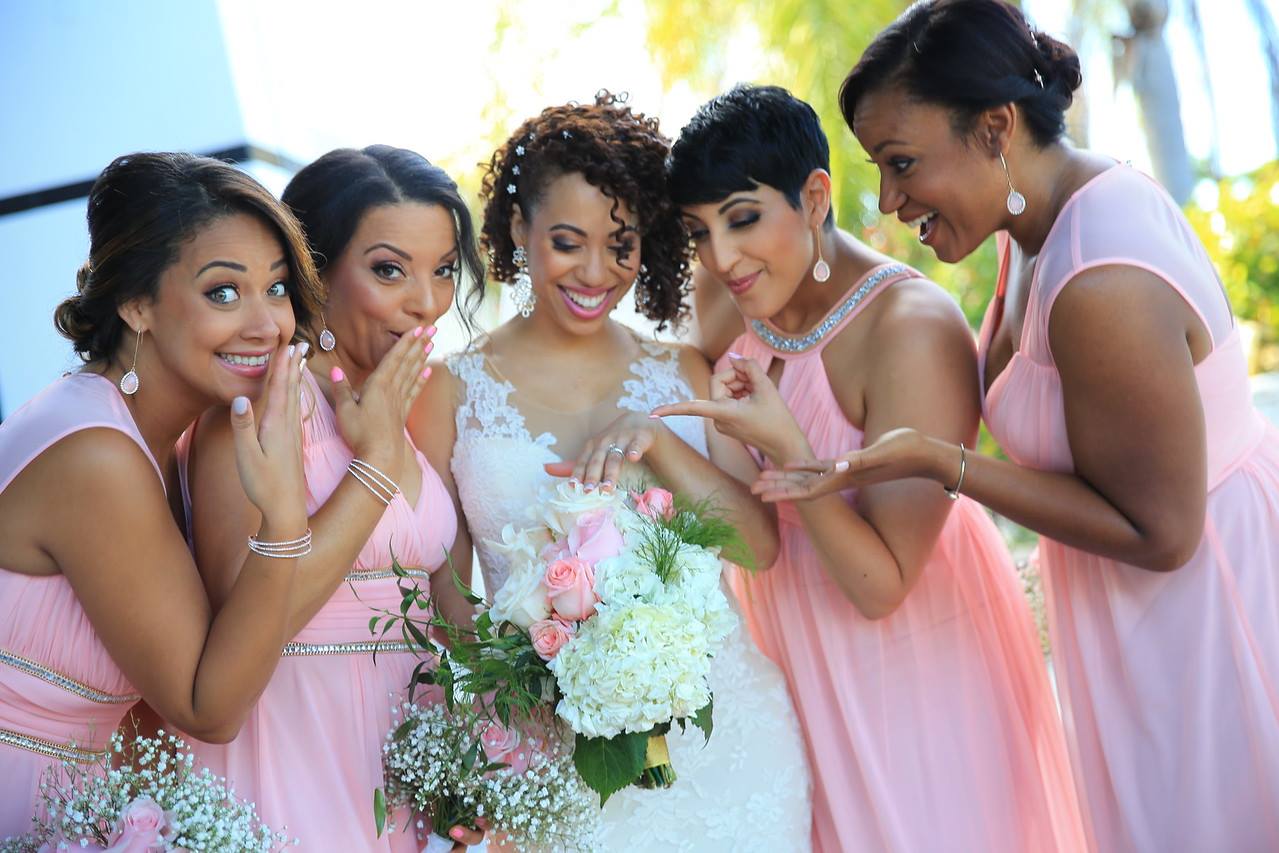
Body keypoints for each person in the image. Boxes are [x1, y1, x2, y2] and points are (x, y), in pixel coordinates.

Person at [760, 1, 1279, 848]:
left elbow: (1162, 531)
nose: (887, 199)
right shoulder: (1026, 225)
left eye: (901, 162)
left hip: (1202, 619)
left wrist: (943, 462)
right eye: (878, 169)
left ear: (995, 128)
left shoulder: (1101, 279)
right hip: (1127, 612)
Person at [656, 84, 1086, 852]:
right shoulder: (732, 294)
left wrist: (791, 448)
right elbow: (687, 383)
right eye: (698, 232)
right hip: (789, 666)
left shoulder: (909, 327)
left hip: (912, 676)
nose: (720, 257)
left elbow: (881, 587)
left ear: (814, 196)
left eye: (743, 218)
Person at [418, 91, 812, 851]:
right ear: (517, 228)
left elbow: (757, 547)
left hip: (727, 753)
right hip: (551, 764)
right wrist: (519, 699)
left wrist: (657, 442)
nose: (596, 272)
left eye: (621, 245)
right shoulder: (449, 392)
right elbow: (448, 601)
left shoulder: (684, 371)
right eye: (568, 242)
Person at [0, 152, 315, 835]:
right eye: (223, 293)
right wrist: (285, 516)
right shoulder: (95, 454)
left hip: (91, 812)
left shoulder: (167, 439)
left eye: (277, 287)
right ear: (136, 304)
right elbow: (208, 707)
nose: (267, 325)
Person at [182, 146, 486, 851]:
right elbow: (247, 626)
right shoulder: (253, 413)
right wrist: (372, 468)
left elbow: (452, 622)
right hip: (294, 760)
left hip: (405, 773)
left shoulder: (395, 405)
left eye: (444, 269)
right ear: (314, 269)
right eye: (390, 270)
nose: (426, 301)